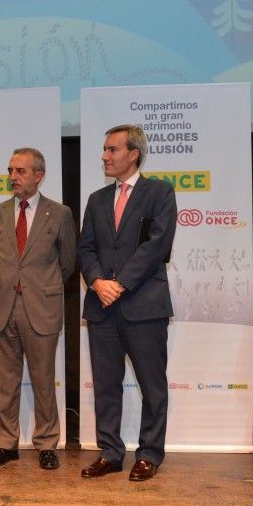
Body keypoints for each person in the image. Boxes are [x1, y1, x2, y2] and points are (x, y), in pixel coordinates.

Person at [77, 124, 176, 481]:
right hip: (102, 307)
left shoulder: (160, 192)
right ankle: (110, 452)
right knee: (105, 385)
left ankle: (149, 453)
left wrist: (119, 284)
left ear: (133, 154)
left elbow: (157, 245)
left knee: (153, 385)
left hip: (143, 304)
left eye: (112, 150)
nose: (104, 156)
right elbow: (85, 248)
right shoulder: (96, 199)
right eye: (104, 150)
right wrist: (98, 282)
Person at [0, 148, 76, 470]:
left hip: (42, 308)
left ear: (39, 176)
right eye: (10, 170)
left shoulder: (60, 213)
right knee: (5, 383)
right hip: (3, 307)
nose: (13, 177)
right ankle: (6, 444)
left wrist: (41, 287)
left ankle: (47, 443)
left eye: (20, 171)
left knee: (43, 380)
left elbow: (67, 264)